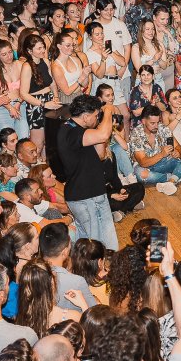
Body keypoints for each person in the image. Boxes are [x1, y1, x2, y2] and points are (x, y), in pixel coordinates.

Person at [58, 94, 121, 249]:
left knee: (87, 246)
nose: (97, 118)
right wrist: (108, 111)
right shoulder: (72, 132)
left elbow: (100, 154)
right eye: (96, 115)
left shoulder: (75, 129)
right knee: (102, 246)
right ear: (85, 117)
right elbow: (103, 134)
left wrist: (101, 125)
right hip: (87, 197)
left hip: (86, 195)